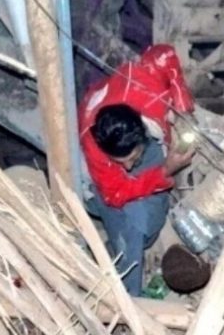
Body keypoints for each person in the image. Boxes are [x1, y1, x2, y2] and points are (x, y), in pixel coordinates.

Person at [78, 44, 195, 296]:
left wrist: (183, 108)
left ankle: (135, 237)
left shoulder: (147, 90)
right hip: (103, 176)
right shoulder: (95, 147)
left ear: (143, 133)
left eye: (132, 158)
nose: (129, 167)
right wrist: (165, 171)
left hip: (130, 106)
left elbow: (164, 54)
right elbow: (115, 193)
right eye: (121, 161)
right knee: (132, 231)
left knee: (148, 225)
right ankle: (130, 296)